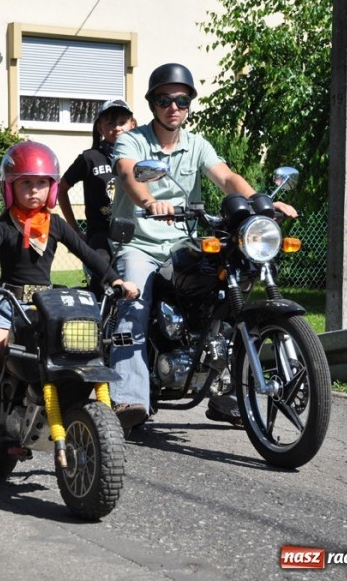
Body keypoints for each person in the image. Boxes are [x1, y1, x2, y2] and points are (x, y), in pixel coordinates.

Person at [0, 140, 139, 494]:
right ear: (10, 187)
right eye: (25, 183)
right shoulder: (3, 226)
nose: (33, 190)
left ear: (52, 187)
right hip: (7, 303)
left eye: (41, 183)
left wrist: (115, 279)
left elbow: (88, 253)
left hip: (45, 304)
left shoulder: (55, 224)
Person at [107, 63, 297, 434]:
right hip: (139, 243)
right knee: (134, 303)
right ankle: (129, 398)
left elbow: (226, 177)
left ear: (189, 104)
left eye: (181, 100)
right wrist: (149, 202)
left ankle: (227, 396)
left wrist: (261, 202)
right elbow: (129, 173)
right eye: (165, 100)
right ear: (152, 104)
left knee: (227, 294)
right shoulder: (132, 141)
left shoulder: (197, 145)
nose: (173, 107)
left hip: (182, 240)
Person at [57, 99, 136, 297]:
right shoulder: (90, 158)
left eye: (122, 122)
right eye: (110, 123)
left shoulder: (139, 156)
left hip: (134, 232)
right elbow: (61, 189)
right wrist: (75, 230)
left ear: (132, 124)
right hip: (101, 233)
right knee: (102, 270)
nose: (117, 128)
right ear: (100, 127)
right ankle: (95, 308)